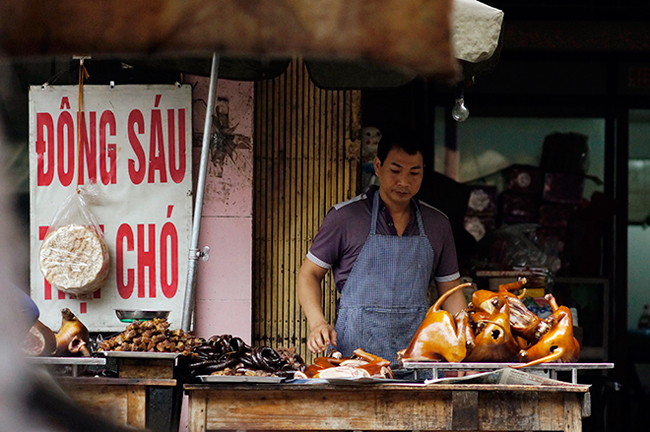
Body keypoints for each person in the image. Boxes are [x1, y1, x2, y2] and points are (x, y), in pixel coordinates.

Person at [297, 129, 467, 365]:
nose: (404, 182)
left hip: (418, 361)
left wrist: (465, 341)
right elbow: (309, 274)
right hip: (353, 362)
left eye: (414, 172)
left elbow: (450, 290)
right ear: (378, 166)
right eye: (395, 170)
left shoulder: (437, 224)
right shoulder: (345, 217)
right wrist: (317, 323)